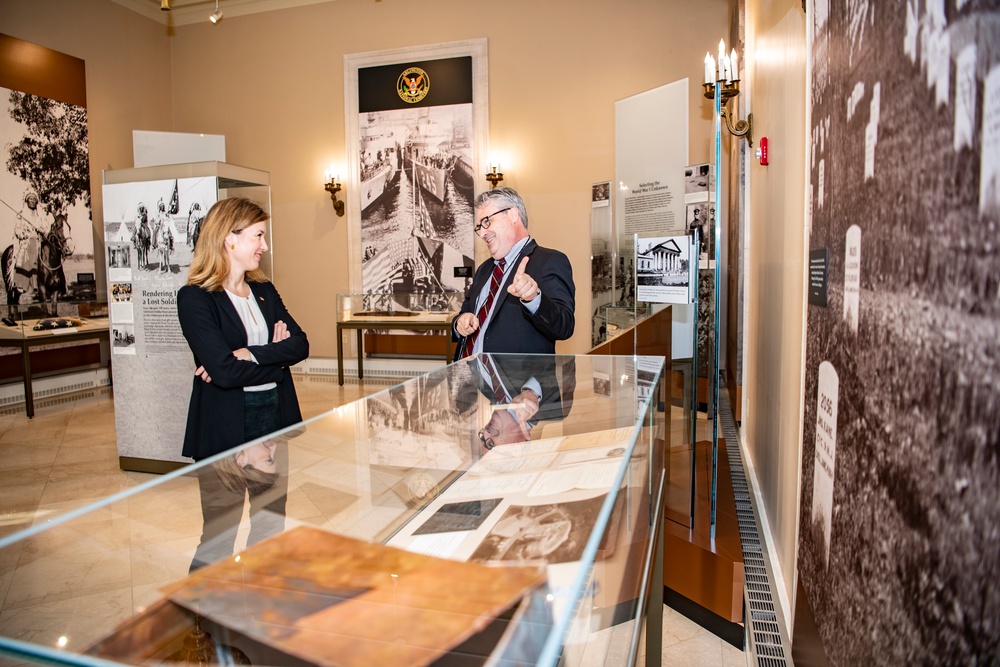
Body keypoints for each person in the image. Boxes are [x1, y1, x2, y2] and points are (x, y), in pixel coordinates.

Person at [177, 197, 309, 462]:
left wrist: (249, 353)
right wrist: (278, 365)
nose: (265, 246)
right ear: (229, 238)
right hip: (225, 422)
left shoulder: (264, 291)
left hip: (275, 413)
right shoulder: (195, 298)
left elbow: (300, 344)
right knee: (225, 504)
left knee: (271, 504)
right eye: (258, 236)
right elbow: (225, 373)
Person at [452, 187, 575, 360]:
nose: (482, 233)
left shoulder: (550, 261)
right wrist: (460, 323)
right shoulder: (484, 269)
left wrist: (534, 298)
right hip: (470, 381)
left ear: (513, 215)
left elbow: (564, 326)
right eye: (479, 226)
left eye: (487, 221)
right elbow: (465, 311)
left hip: (519, 385)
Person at [188, 439, 288, 572]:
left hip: (268, 424)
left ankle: (262, 583)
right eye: (269, 459)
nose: (273, 449)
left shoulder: (270, 446)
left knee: (269, 527)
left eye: (269, 459)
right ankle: (202, 590)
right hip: (221, 429)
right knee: (219, 535)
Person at [11, 191, 47, 295]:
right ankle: (22, 284)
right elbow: (17, 229)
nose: (32, 201)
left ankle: (41, 283)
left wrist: (42, 230)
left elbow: (45, 228)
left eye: (34, 199)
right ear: (27, 201)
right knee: (26, 257)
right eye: (30, 199)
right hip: (26, 241)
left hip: (38, 241)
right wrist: (23, 234)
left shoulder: (40, 215)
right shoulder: (21, 214)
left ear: (36, 201)